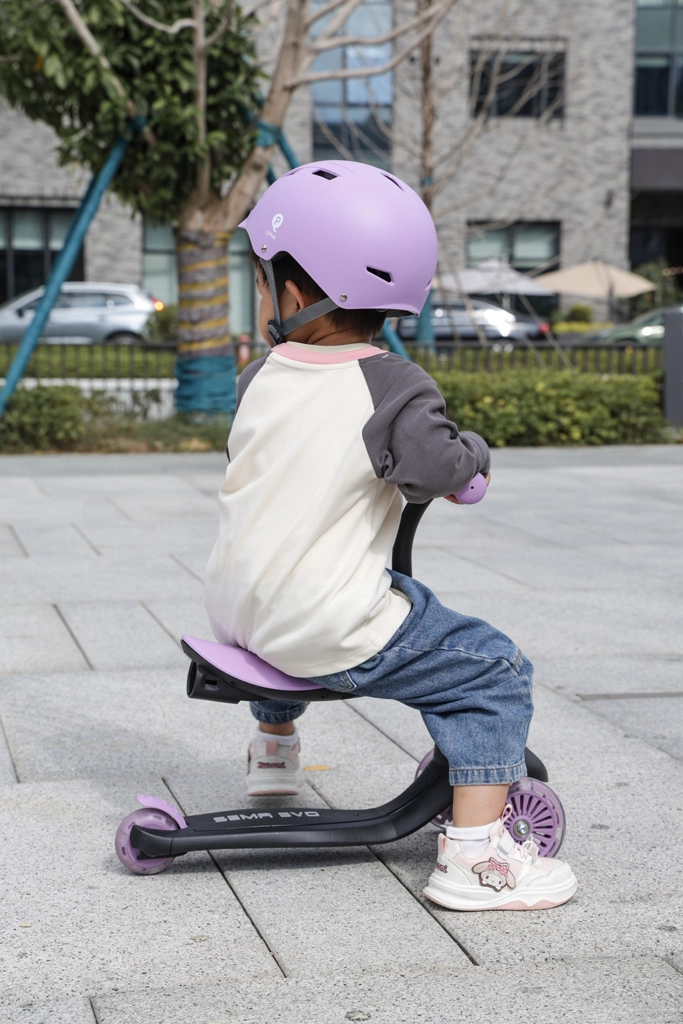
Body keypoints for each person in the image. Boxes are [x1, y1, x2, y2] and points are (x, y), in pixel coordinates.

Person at [204, 160, 577, 911]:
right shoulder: (394, 387)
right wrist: (473, 458)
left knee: (343, 595)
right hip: (321, 622)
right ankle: (476, 860)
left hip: (236, 610)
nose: (262, 293)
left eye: (264, 278)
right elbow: (434, 469)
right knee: (493, 670)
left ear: (297, 295)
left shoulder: (257, 376)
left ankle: (273, 750)